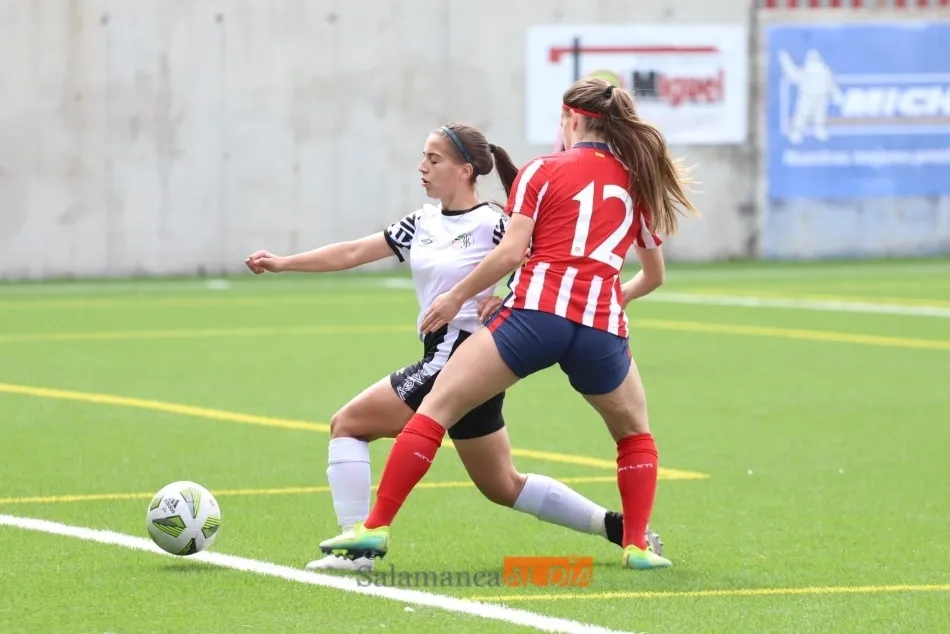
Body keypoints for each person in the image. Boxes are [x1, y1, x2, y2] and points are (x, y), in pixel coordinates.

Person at [244, 121, 663, 571]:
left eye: (433, 159)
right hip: (461, 366)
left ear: (465, 170)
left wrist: (504, 297)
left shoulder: (493, 222)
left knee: (347, 424)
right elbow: (351, 253)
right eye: (423, 158)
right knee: (502, 485)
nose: (421, 167)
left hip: (459, 357)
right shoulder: (421, 222)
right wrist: (284, 262)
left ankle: (355, 548)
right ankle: (613, 527)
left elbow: (542, 260)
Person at [318, 77, 699, 571]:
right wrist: (611, 299)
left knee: (436, 408)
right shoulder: (637, 181)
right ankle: (636, 546)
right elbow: (654, 275)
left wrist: (458, 296)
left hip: (535, 318)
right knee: (633, 435)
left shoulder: (541, 171)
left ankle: (374, 528)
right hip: (601, 326)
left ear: (572, 119)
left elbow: (513, 251)